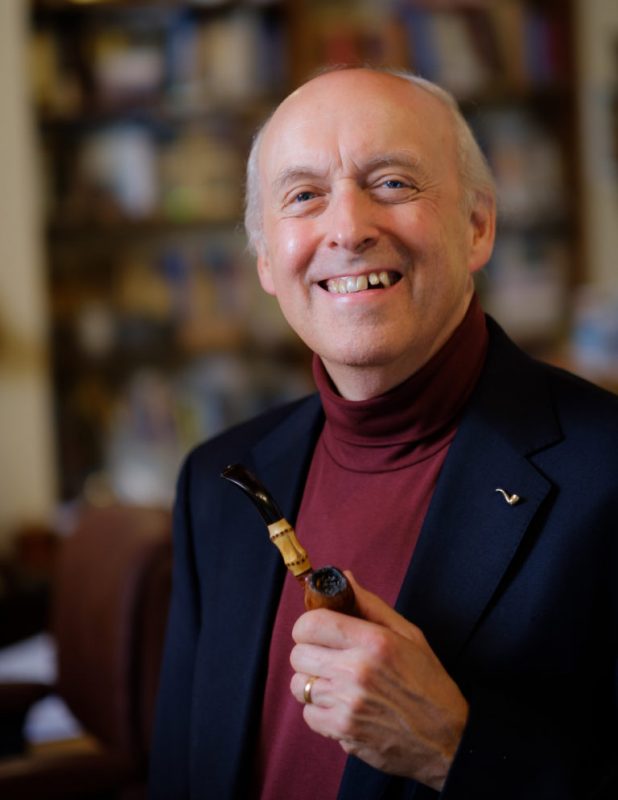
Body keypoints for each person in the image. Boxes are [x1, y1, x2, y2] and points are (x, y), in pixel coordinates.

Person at [150, 67, 618, 799]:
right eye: (304, 196)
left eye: (394, 183)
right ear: (268, 261)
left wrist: (453, 747)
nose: (347, 228)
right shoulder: (217, 482)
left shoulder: (607, 472)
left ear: (477, 226)